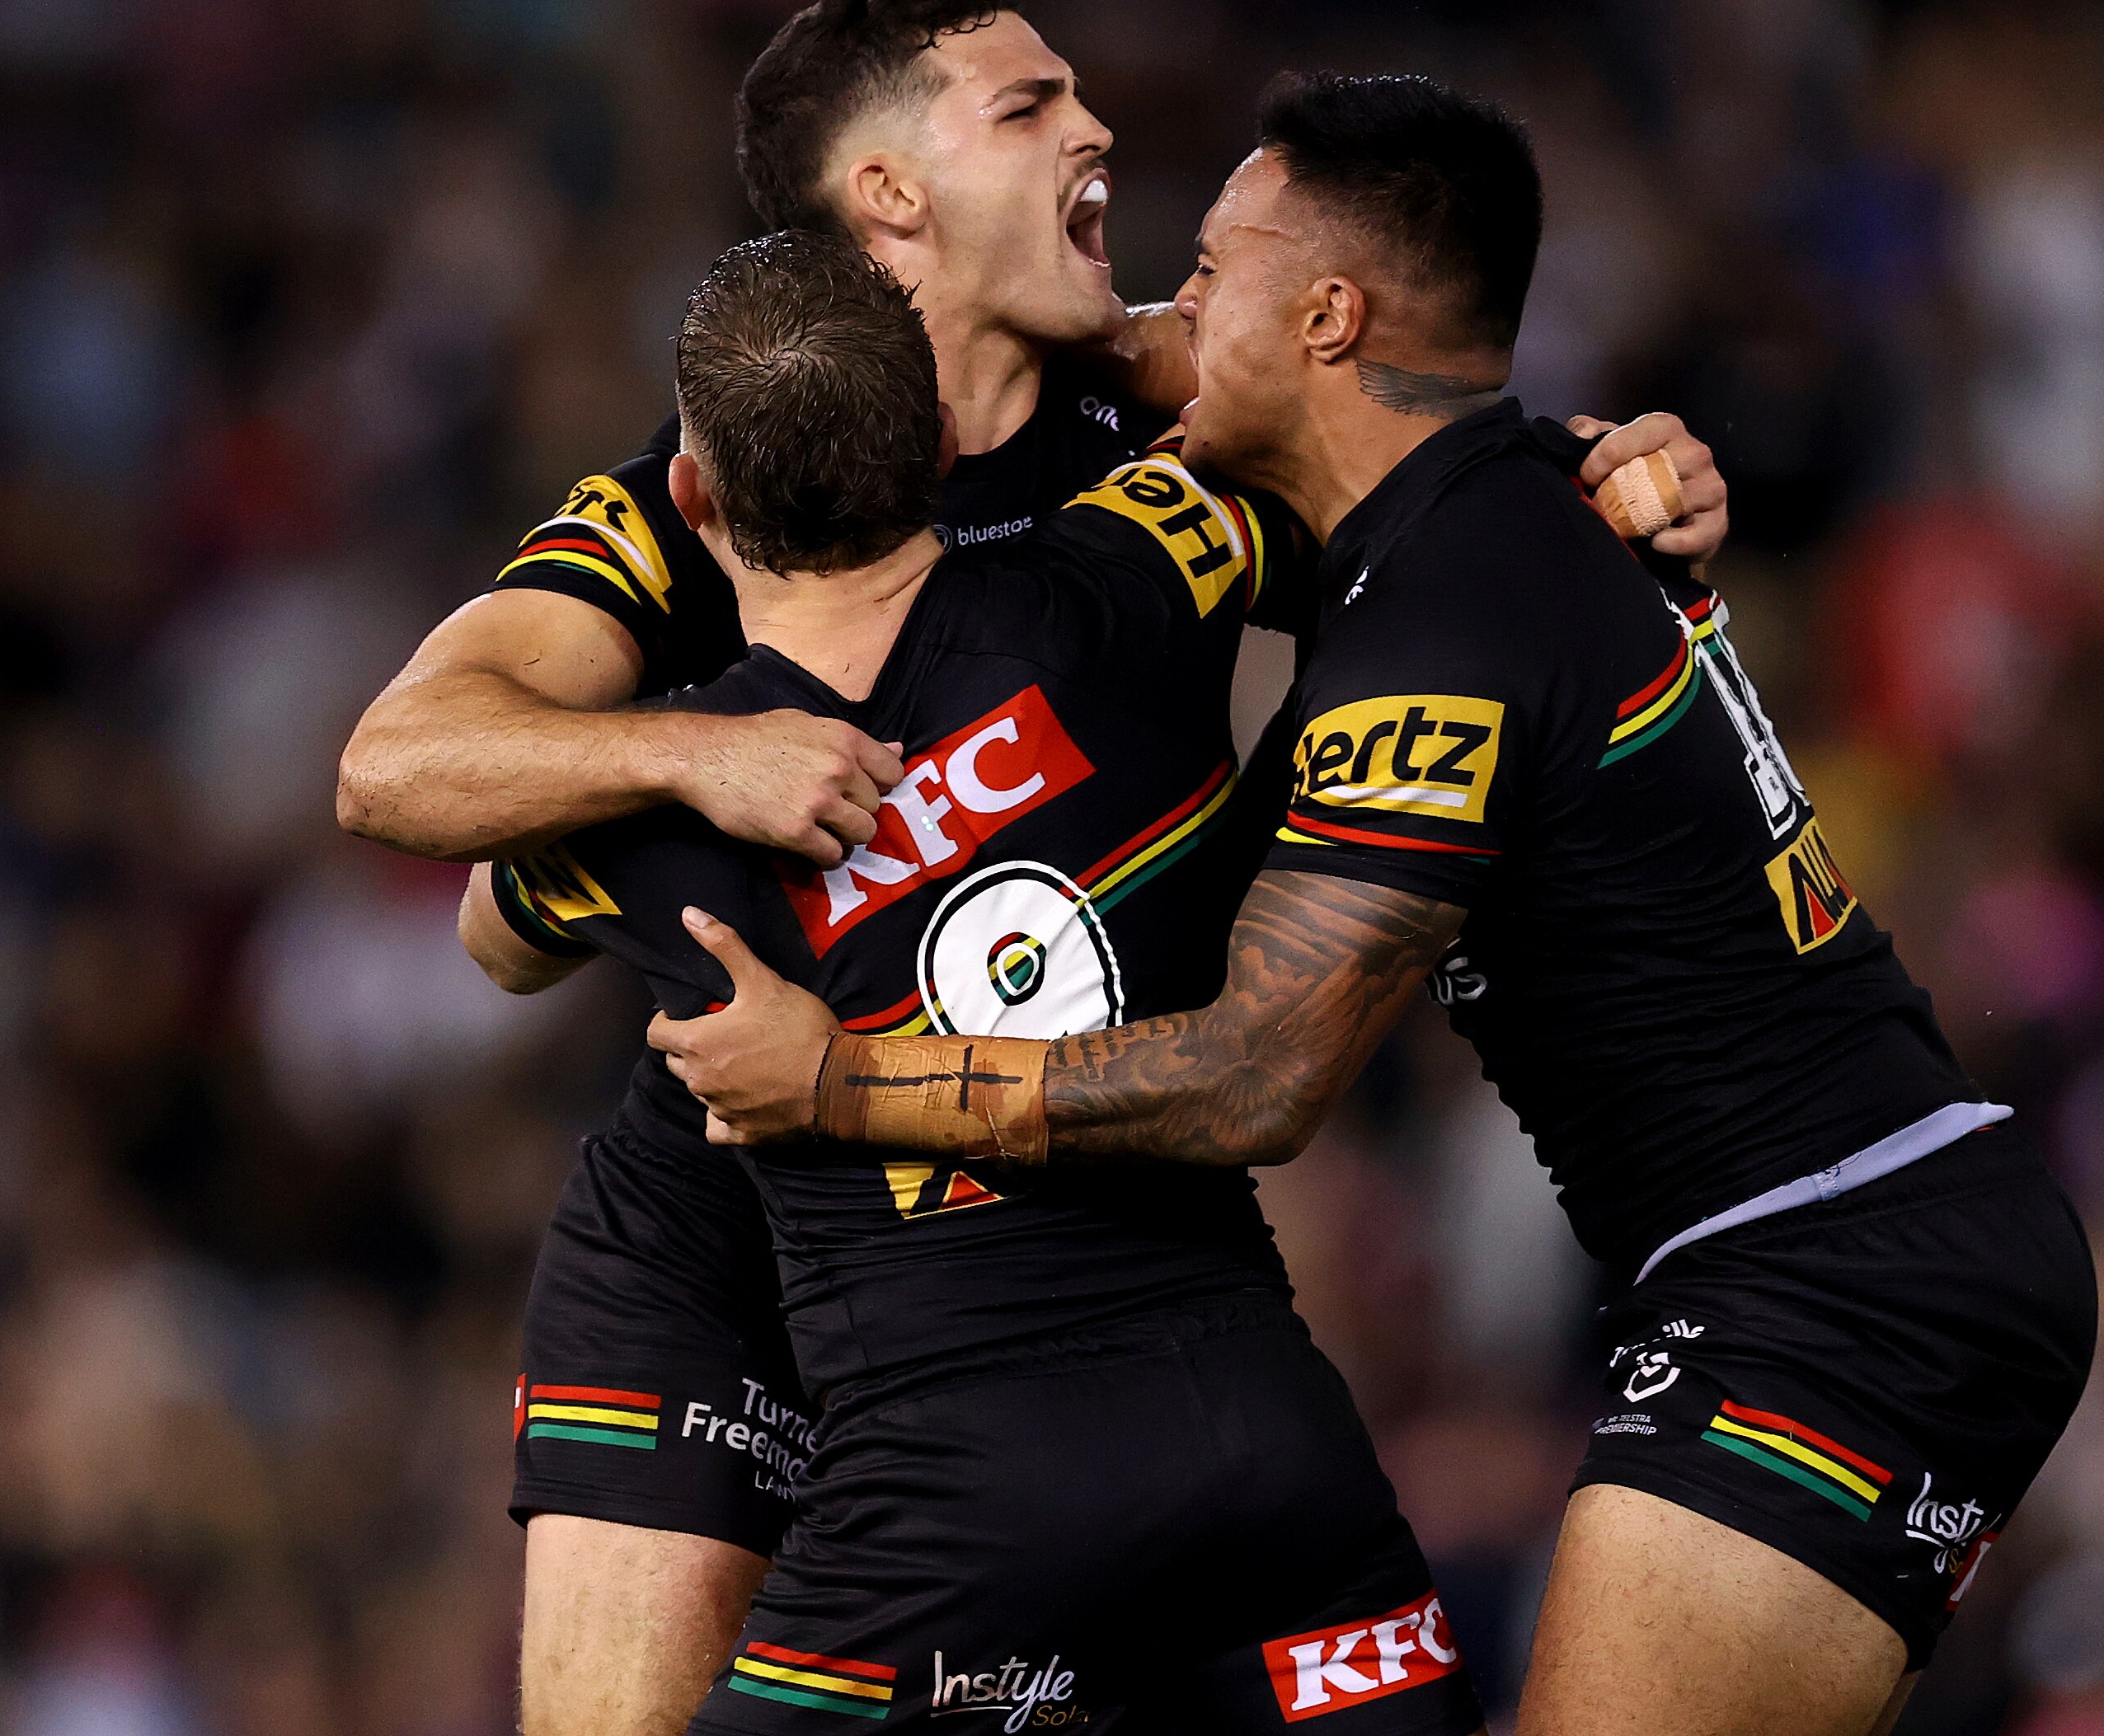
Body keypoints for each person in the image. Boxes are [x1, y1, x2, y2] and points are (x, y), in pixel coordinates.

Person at [332, 0, 1732, 1736]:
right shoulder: (711, 476)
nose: (1096, 127)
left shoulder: (1165, 411)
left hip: (1065, 1237)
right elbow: (397, 768)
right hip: (729, 1216)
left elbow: (1421, 456)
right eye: (1027, 104)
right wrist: (700, 752)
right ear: (890, 197)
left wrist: (1608, 469)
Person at [651, 74, 2099, 1736]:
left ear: (1327, 316)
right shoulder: (1494, 509)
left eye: (1211, 270)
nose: (1171, 309)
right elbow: (1146, 360)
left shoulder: (1444, 628)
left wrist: (840, 1082)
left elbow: (1256, 1079)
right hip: (1841, 1236)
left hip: (1834, 1266)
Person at [463, 228, 1484, 1736]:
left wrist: (668, 753)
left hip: (951, 1505)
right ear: (942, 447)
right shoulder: (1145, 562)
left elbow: (491, 929)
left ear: (692, 500)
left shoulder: (642, 828)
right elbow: (1386, 474)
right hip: (1263, 1435)